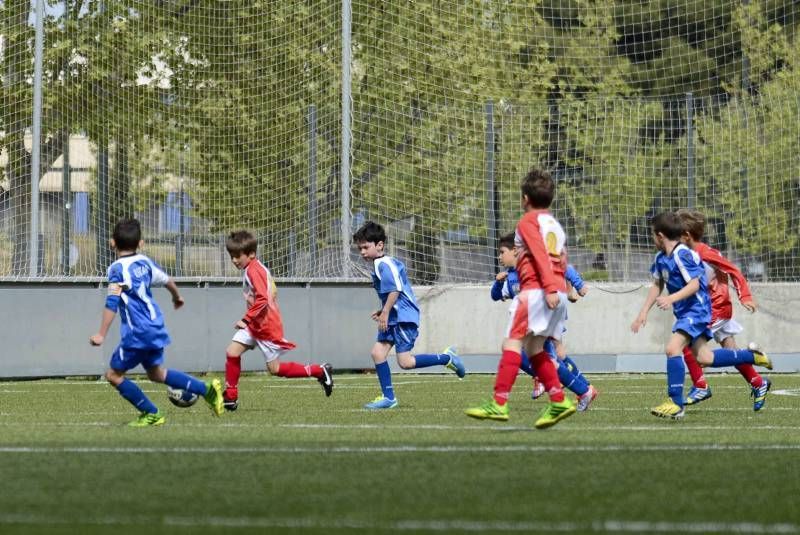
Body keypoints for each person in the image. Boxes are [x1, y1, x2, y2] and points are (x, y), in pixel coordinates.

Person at [630, 211, 772, 420]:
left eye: (652, 235)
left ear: (662, 236)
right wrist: (643, 313)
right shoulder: (662, 258)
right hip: (695, 309)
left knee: (674, 348)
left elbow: (698, 283)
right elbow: (657, 284)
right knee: (705, 357)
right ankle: (752, 359)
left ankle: (678, 401)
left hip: (704, 309)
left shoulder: (687, 254)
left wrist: (671, 299)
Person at [466, 168, 576, 429]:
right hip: (556, 291)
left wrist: (547, 287)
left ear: (525, 198)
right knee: (534, 348)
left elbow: (538, 253)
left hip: (537, 291)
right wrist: (558, 288)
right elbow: (562, 257)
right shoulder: (555, 225)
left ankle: (499, 402)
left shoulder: (528, 222)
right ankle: (558, 399)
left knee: (511, 344)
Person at [89, 218, 224, 426]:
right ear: (141, 243)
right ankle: (206, 389)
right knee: (156, 373)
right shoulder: (145, 263)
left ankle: (151, 413)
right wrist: (177, 297)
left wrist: (101, 334)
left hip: (138, 333)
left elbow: (112, 302)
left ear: (112, 242)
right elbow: (167, 280)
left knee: (113, 375)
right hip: (155, 326)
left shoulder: (116, 270)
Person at [353, 221, 465, 410]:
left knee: (405, 362)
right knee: (377, 353)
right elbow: (395, 291)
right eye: (360, 248)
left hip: (403, 318)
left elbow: (396, 289)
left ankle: (447, 358)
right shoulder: (380, 263)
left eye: (366, 247)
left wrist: (386, 312)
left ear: (379, 245)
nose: (362, 252)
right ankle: (389, 398)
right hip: (394, 316)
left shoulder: (383, 263)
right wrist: (384, 311)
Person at [222, 230, 333, 411]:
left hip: (266, 325)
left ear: (251, 254)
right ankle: (231, 396)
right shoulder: (251, 267)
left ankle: (319, 371)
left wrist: (246, 318)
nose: (234, 260)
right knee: (232, 352)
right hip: (256, 324)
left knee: (274, 369)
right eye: (231, 256)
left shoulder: (253, 270)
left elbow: (263, 299)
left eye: (237, 256)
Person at [676, 208, 770, 411]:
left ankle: (701, 386)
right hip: (709, 306)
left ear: (687, 235)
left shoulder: (704, 253)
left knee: (685, 343)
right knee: (730, 350)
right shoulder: (687, 253)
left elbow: (733, 270)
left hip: (715, 307)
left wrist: (745, 295)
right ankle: (757, 382)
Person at [491, 233, 597, 411]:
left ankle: (564, 385)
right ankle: (582, 389)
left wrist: (578, 285)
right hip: (536, 315)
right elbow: (496, 296)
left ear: (515, 251)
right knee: (548, 357)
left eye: (502, 252)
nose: (499, 257)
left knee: (522, 350)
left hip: (546, 312)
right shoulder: (510, 276)